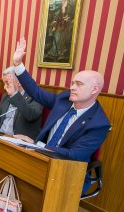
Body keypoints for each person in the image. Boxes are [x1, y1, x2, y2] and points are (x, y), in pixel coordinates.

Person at [12, 38, 111, 168]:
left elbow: (75, 155)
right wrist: (18, 64)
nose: (72, 88)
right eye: (73, 83)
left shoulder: (99, 124)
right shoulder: (64, 99)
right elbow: (35, 92)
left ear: (95, 89)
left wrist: (37, 145)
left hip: (67, 170)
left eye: (79, 84)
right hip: (40, 158)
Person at [0, 66, 43, 139]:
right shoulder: (5, 96)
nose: (4, 87)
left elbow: (31, 115)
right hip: (0, 137)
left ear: (19, 83)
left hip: (18, 142)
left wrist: (15, 96)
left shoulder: (36, 97)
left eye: (7, 83)